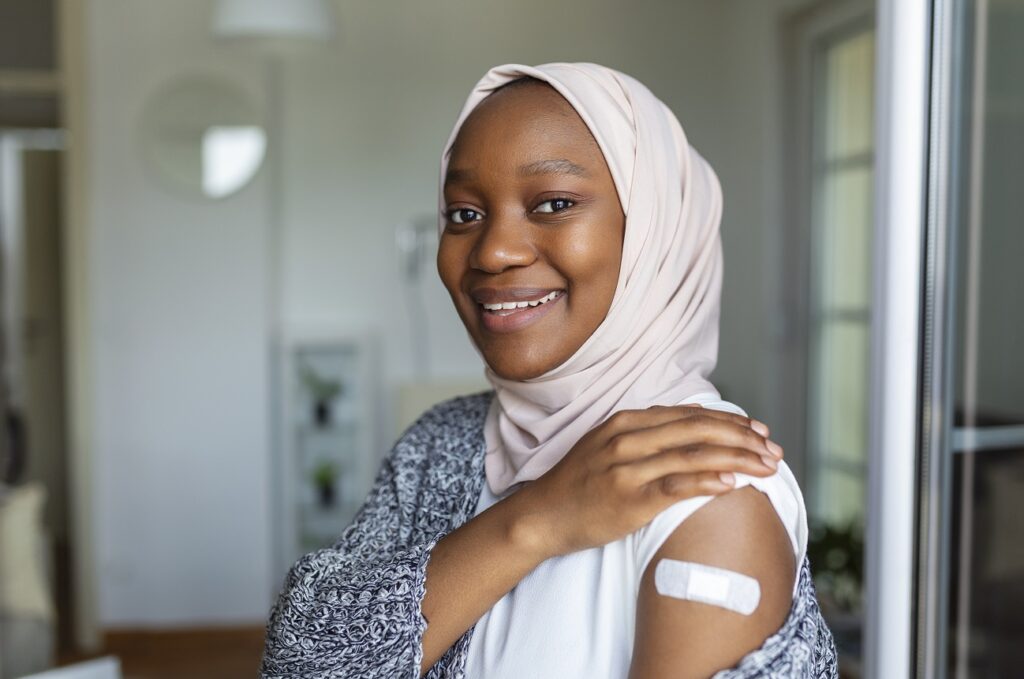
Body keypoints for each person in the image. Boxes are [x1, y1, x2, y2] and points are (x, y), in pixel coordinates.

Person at [260, 62, 837, 679]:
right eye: (463, 214)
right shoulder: (441, 443)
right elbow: (301, 663)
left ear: (653, 232)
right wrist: (538, 520)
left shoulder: (708, 483)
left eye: (555, 203)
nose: (493, 252)